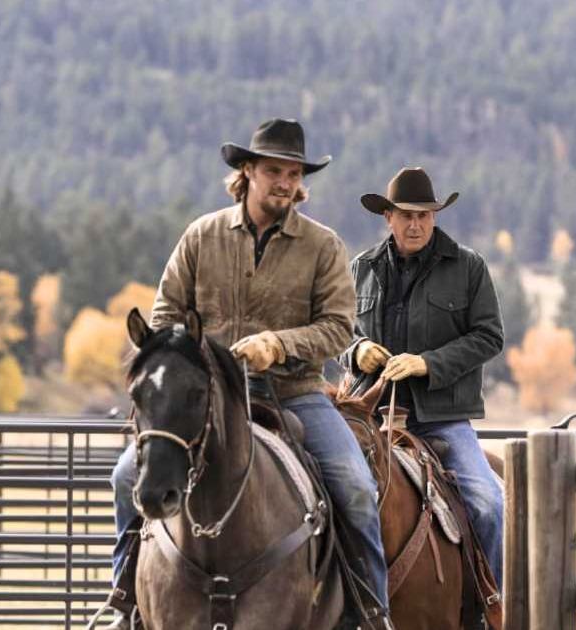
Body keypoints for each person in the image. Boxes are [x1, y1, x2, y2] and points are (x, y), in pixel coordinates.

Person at [106, 118, 392, 629]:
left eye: (293, 173)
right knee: (126, 474)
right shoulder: (201, 236)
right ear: (247, 172)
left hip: (296, 392)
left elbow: (338, 327)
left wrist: (277, 345)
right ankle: (124, 598)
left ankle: (370, 611)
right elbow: (166, 315)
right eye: (274, 171)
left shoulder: (322, 246)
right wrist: (186, 358)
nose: (285, 182)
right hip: (208, 397)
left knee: (354, 486)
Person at [339, 166, 506, 588]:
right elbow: (337, 331)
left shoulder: (468, 267)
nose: (415, 224)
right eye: (406, 215)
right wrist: (356, 351)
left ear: (434, 217)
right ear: (388, 218)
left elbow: (489, 337)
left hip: (441, 418)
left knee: (488, 503)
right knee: (315, 499)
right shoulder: (361, 268)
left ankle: (493, 605)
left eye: (424, 215)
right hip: (367, 417)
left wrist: (427, 363)